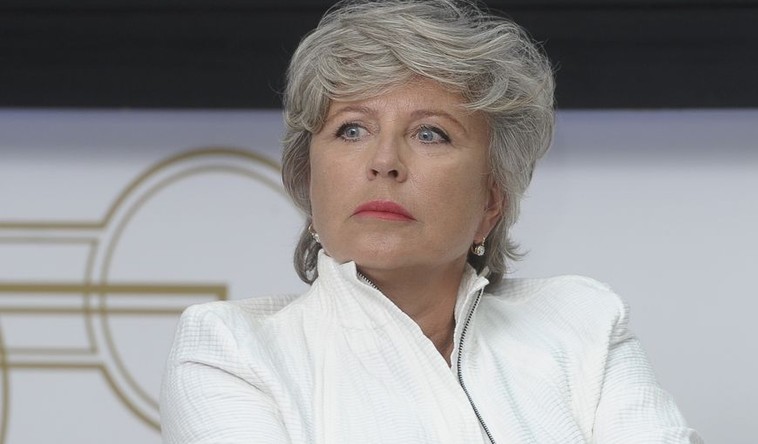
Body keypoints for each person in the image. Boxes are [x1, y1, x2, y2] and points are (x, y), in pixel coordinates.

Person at [160, 0, 703, 442]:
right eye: (352, 129)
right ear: (309, 181)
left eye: (430, 134)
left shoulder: (580, 324)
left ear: (491, 202)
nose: (384, 161)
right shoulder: (232, 351)